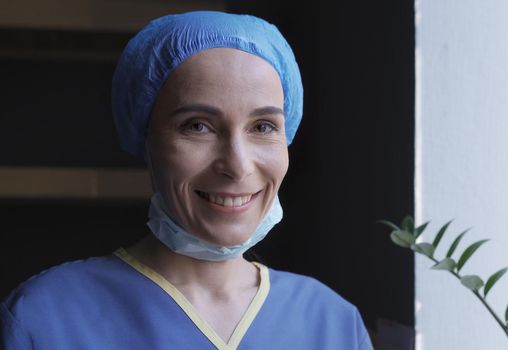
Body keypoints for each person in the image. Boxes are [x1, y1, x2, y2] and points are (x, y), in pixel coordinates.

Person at [0, 11, 373, 350]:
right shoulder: (45, 319)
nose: (238, 165)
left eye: (262, 127)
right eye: (198, 126)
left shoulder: (334, 324)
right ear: (146, 139)